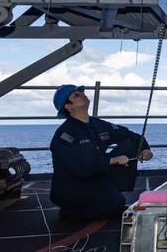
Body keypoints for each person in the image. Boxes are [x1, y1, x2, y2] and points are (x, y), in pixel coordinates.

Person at [48, 84, 152, 220]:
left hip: (97, 178)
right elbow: (80, 167)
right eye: (76, 95)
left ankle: (110, 194)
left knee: (130, 144)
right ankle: (73, 210)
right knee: (116, 204)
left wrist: (145, 148)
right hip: (73, 186)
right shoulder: (65, 135)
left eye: (80, 92)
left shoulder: (99, 125)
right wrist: (112, 160)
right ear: (68, 107)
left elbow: (130, 135)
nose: (82, 94)